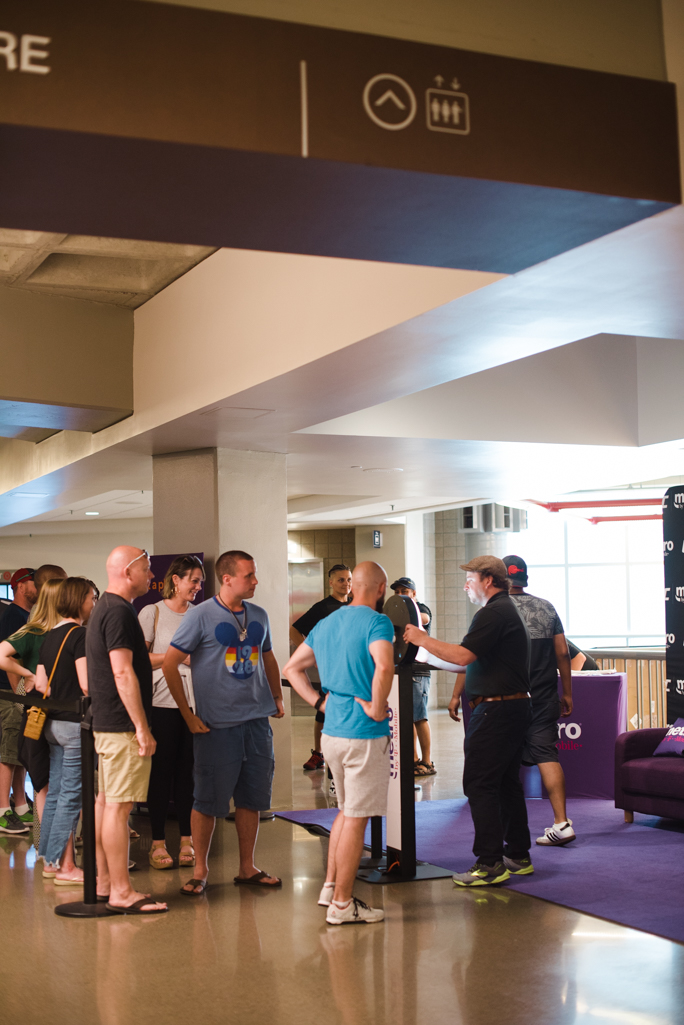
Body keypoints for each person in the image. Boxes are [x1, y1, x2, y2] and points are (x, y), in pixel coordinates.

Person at [162, 550, 285, 896]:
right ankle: (200, 870)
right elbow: (170, 664)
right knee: (207, 800)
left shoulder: (258, 614)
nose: (256, 581)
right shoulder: (199, 616)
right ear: (227, 578)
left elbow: (269, 657)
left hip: (257, 722)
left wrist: (276, 697)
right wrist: (187, 714)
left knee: (252, 797)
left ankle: (247, 867)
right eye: (249, 576)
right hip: (216, 726)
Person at [405, 555, 532, 887]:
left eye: (470, 579)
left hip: (497, 711)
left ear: (488, 580)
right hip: (509, 709)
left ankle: (490, 863)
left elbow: (462, 655)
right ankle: (517, 855)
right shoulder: (501, 611)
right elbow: (465, 664)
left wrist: (421, 638)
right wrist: (427, 654)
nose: (466, 585)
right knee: (504, 782)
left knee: (479, 783)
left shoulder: (493, 612)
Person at [284, 561, 394, 925]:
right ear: (381, 589)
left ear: (353, 586)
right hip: (362, 735)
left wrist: (318, 702)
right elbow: (383, 665)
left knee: (346, 813)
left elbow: (291, 669)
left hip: (331, 734)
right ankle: (343, 905)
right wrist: (378, 708)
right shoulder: (377, 622)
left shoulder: (327, 622)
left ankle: (331, 887)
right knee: (356, 817)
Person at [87, 546, 167, 915]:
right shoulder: (119, 611)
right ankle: (120, 890)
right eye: (147, 569)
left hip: (108, 724)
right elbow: (122, 672)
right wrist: (141, 726)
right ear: (127, 571)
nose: (152, 576)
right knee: (118, 809)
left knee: (106, 804)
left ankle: (105, 882)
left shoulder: (105, 607)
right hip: (121, 727)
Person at [503, 555, 576, 846]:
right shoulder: (547, 607)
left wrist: (459, 693)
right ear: (524, 578)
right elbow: (562, 653)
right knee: (547, 755)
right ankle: (562, 824)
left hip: (508, 698)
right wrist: (567, 692)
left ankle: (505, 830)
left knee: (503, 762)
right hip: (545, 696)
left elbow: (476, 655)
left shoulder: (496, 609)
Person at [138, 555, 205, 870]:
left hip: (194, 704)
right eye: (193, 580)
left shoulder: (200, 614)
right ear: (175, 579)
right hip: (160, 703)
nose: (197, 587)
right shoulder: (152, 613)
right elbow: (140, 660)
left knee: (188, 774)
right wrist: (176, 657)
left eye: (200, 581)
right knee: (161, 774)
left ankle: (188, 840)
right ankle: (158, 843)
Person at [35, 577, 96, 883]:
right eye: (91, 598)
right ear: (79, 601)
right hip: (74, 726)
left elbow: (40, 684)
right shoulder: (80, 634)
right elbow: (86, 684)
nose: (93, 604)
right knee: (72, 796)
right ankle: (64, 867)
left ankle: (48, 860)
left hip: (51, 724)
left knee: (57, 793)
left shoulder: (50, 636)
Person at [0, 578, 64, 836]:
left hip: (59, 712)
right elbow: (4, 654)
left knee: (44, 772)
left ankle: (51, 840)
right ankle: (45, 844)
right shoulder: (32, 630)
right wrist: (26, 679)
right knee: (36, 770)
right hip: (34, 709)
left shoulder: (68, 631)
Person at [290, 564, 352, 772]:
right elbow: (295, 630)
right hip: (332, 669)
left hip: (354, 669)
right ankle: (319, 753)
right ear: (331, 582)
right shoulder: (323, 607)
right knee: (324, 709)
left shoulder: (357, 605)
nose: (346, 584)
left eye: (349, 579)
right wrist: (313, 653)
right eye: (341, 580)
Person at [0, 569, 38, 834]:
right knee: (8, 752)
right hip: (10, 695)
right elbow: (10, 660)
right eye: (35, 582)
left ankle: (21, 805)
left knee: (19, 752)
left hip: (19, 695)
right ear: (22, 586)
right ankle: (3, 810)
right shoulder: (13, 616)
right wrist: (19, 697)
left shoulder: (27, 617)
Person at [390, 576, 435, 777]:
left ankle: (427, 761)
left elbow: (423, 619)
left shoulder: (421, 608)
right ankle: (413, 759)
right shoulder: (395, 613)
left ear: (414, 594)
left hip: (418, 670)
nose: (400, 595)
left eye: (405, 591)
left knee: (419, 717)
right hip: (401, 668)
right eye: (397, 592)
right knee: (406, 718)